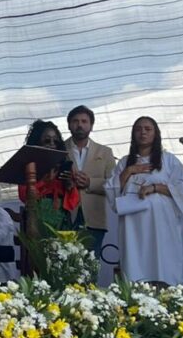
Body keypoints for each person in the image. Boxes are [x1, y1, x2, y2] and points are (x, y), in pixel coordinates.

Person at [105, 116, 183, 286]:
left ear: (156, 133)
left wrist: (155, 188)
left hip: (162, 225)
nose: (143, 132)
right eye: (138, 129)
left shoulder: (168, 160)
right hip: (133, 226)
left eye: (147, 129)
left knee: (163, 261)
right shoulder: (124, 162)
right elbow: (111, 190)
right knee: (135, 264)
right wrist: (129, 171)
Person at [63, 105, 116, 258]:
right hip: (65, 216)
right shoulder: (59, 149)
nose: (80, 125)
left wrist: (90, 183)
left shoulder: (105, 152)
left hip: (94, 218)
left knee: (90, 264)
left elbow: (114, 185)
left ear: (91, 126)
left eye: (84, 121)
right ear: (69, 125)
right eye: (75, 121)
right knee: (63, 264)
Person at [17, 119, 79, 231]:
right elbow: (24, 196)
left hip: (61, 219)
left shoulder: (63, 164)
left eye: (55, 141)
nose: (52, 144)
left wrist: (70, 186)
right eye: (47, 141)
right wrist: (44, 182)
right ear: (37, 142)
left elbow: (73, 203)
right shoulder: (29, 165)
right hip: (36, 219)